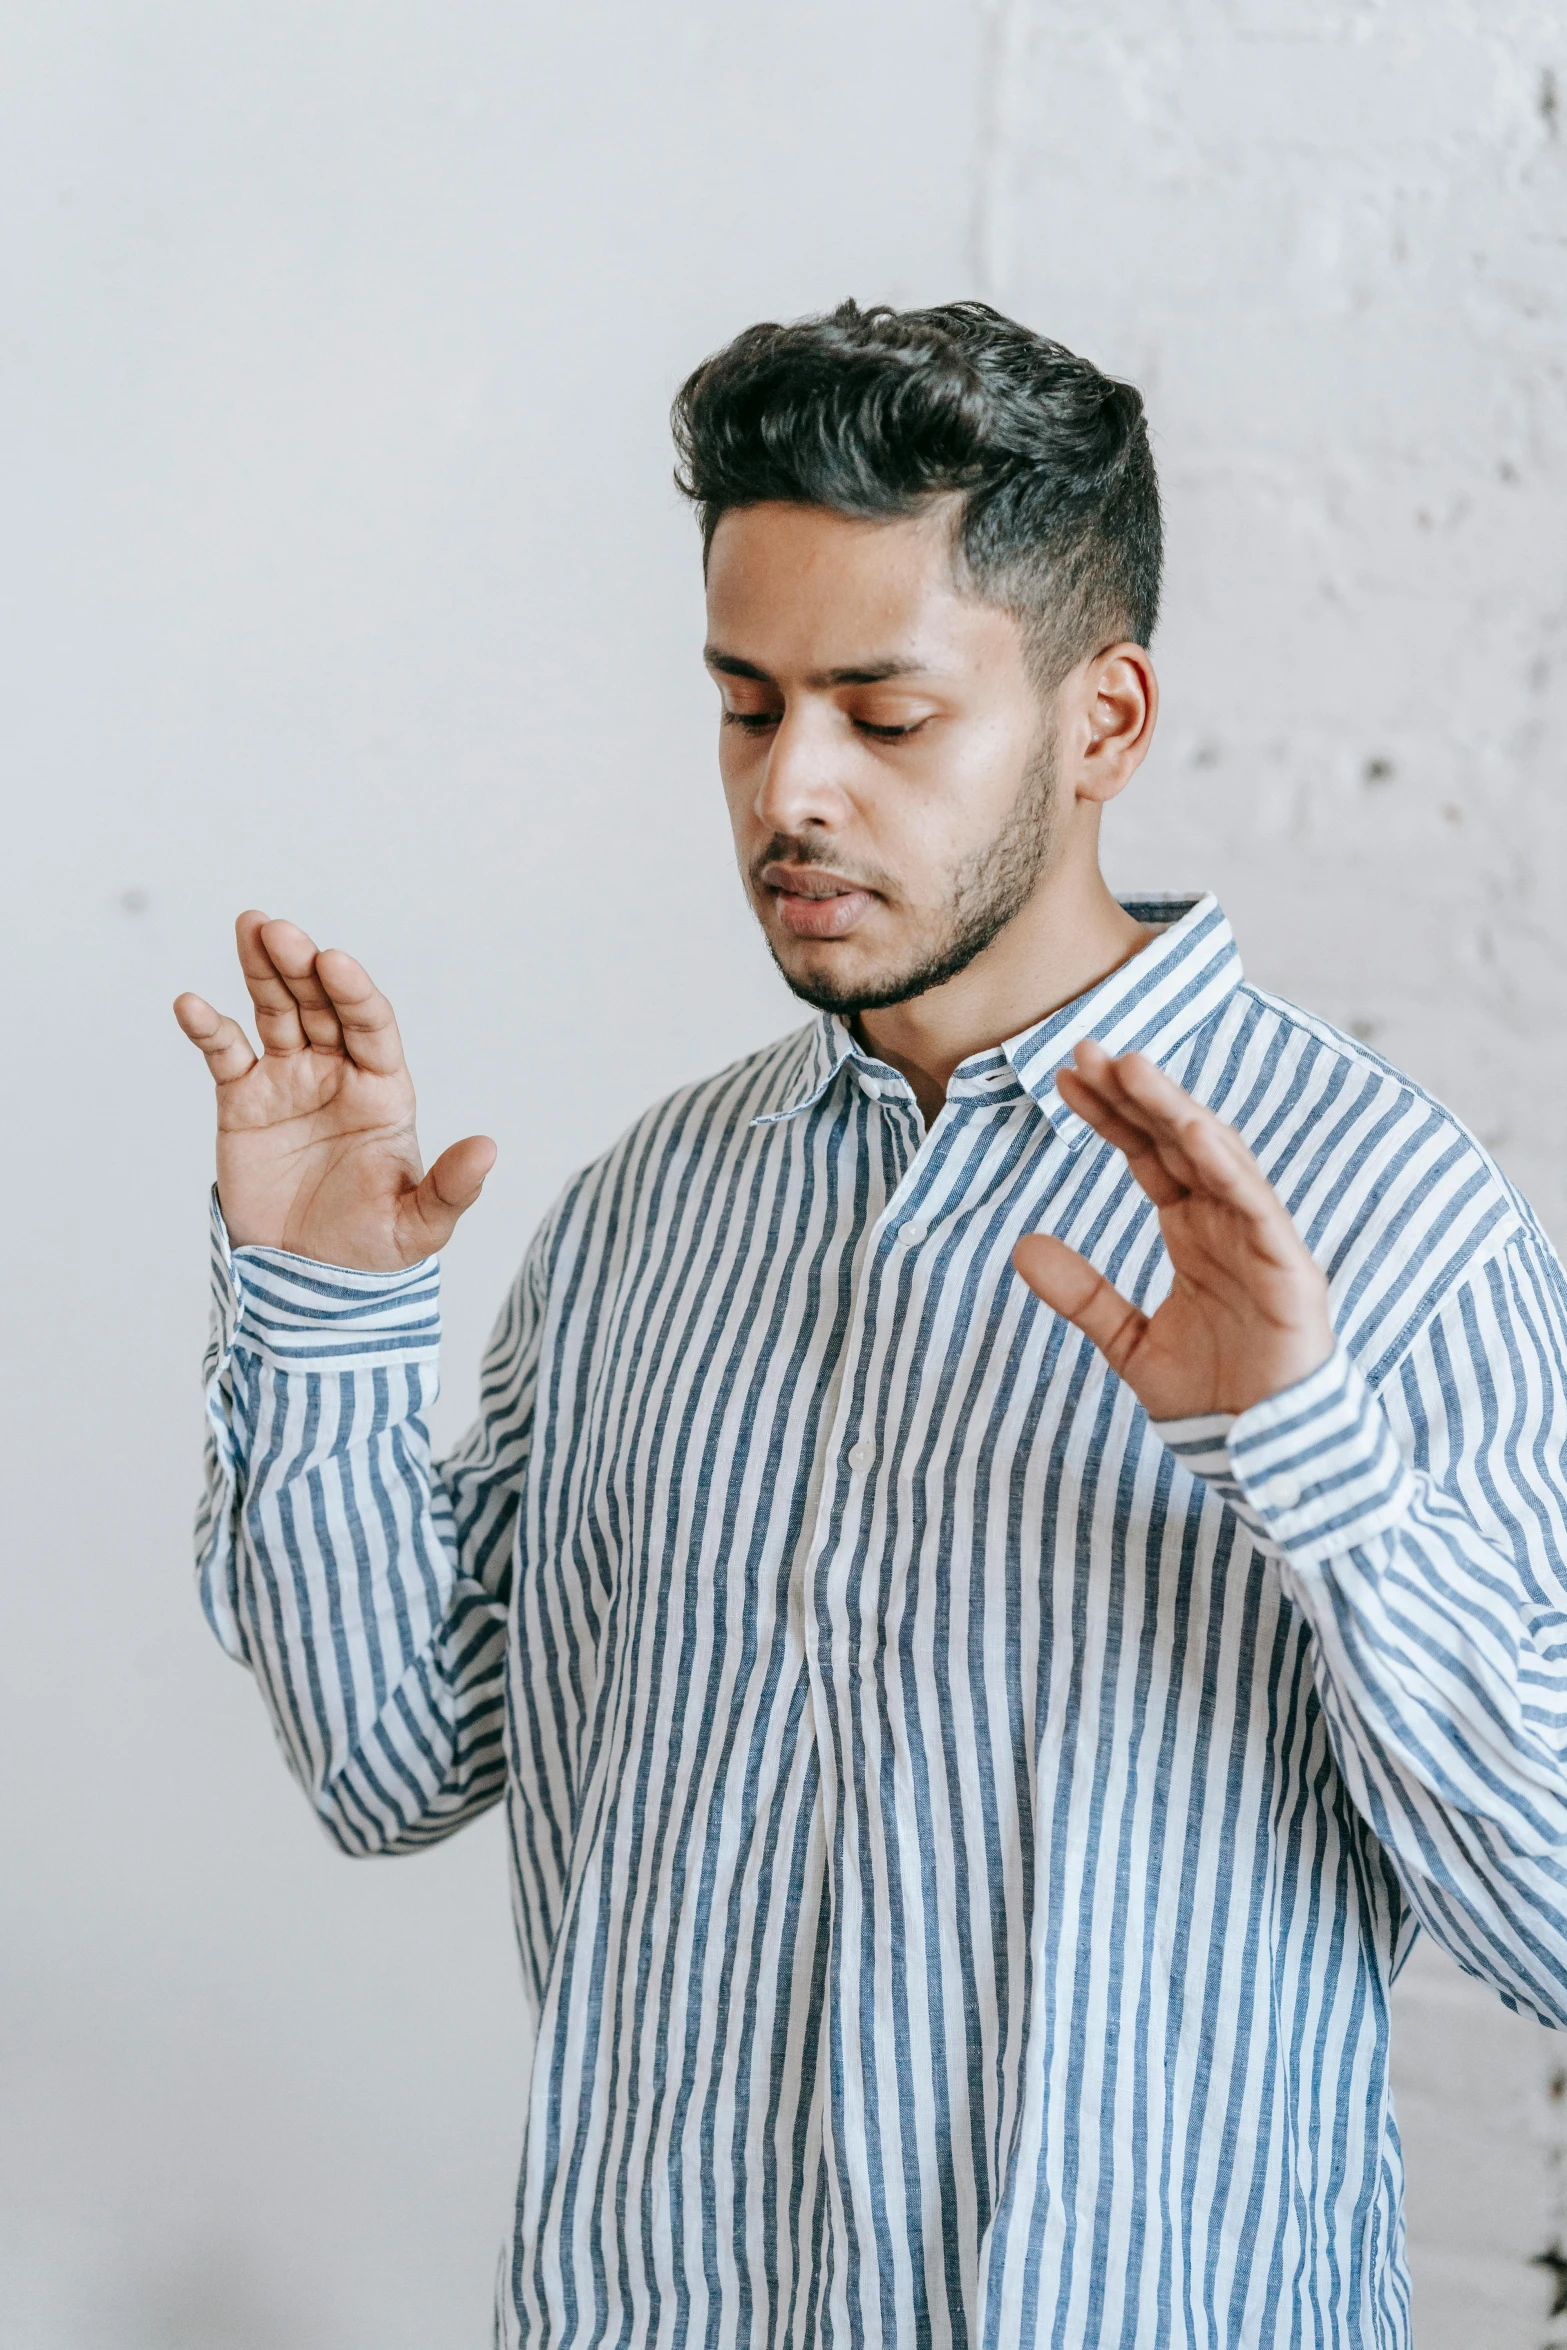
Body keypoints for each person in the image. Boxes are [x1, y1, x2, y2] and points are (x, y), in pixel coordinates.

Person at [174, 301, 1567, 2350]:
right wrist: (323, 1305)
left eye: (882, 714)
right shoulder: (651, 1210)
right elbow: (391, 1759)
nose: (789, 791)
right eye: (746, 707)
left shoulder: (1381, 1217)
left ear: (1103, 723)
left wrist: (1310, 1457)